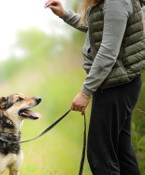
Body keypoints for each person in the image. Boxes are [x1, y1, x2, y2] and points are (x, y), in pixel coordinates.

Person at [45, 0, 145, 174]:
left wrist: (85, 92)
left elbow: (108, 52)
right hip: (116, 83)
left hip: (117, 86)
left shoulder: (116, 2)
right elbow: (96, 29)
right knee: (121, 153)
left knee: (100, 154)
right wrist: (65, 14)